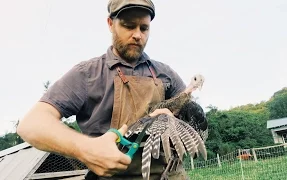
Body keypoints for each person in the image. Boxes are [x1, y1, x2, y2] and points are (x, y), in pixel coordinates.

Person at [17, 0, 189, 179]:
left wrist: (173, 120)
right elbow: (31, 124)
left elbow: (194, 125)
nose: (137, 35)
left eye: (144, 28)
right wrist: (86, 149)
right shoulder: (87, 74)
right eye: (129, 26)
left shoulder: (165, 74)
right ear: (110, 24)